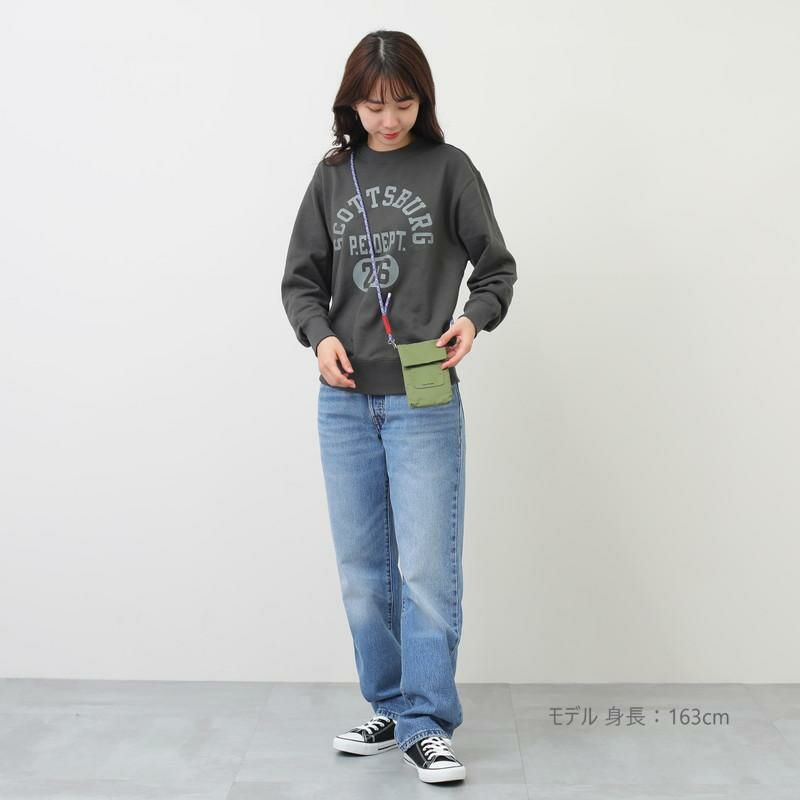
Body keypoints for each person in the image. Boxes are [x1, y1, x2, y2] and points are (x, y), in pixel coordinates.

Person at [280, 29, 517, 785]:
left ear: (424, 100)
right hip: (345, 400)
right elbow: (300, 281)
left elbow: (497, 269)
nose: (389, 120)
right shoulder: (333, 176)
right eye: (375, 105)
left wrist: (472, 321)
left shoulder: (450, 170)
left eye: (404, 103)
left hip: (423, 393)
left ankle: (427, 722)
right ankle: (389, 705)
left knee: (426, 571)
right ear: (351, 104)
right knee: (362, 570)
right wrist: (320, 338)